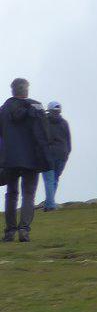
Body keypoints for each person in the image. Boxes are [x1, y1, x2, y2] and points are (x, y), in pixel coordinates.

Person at [1, 78, 51, 243]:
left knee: (11, 194)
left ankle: (9, 232)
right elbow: (44, 132)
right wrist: (46, 157)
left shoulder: (4, 109)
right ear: (26, 90)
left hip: (10, 159)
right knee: (29, 194)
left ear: (12, 90)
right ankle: (24, 230)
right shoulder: (36, 107)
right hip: (31, 158)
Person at [41, 100, 72, 210]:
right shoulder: (64, 123)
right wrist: (67, 153)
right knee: (55, 179)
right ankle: (50, 203)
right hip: (62, 154)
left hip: (48, 154)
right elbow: (68, 141)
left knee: (49, 180)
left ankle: (50, 204)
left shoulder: (44, 122)